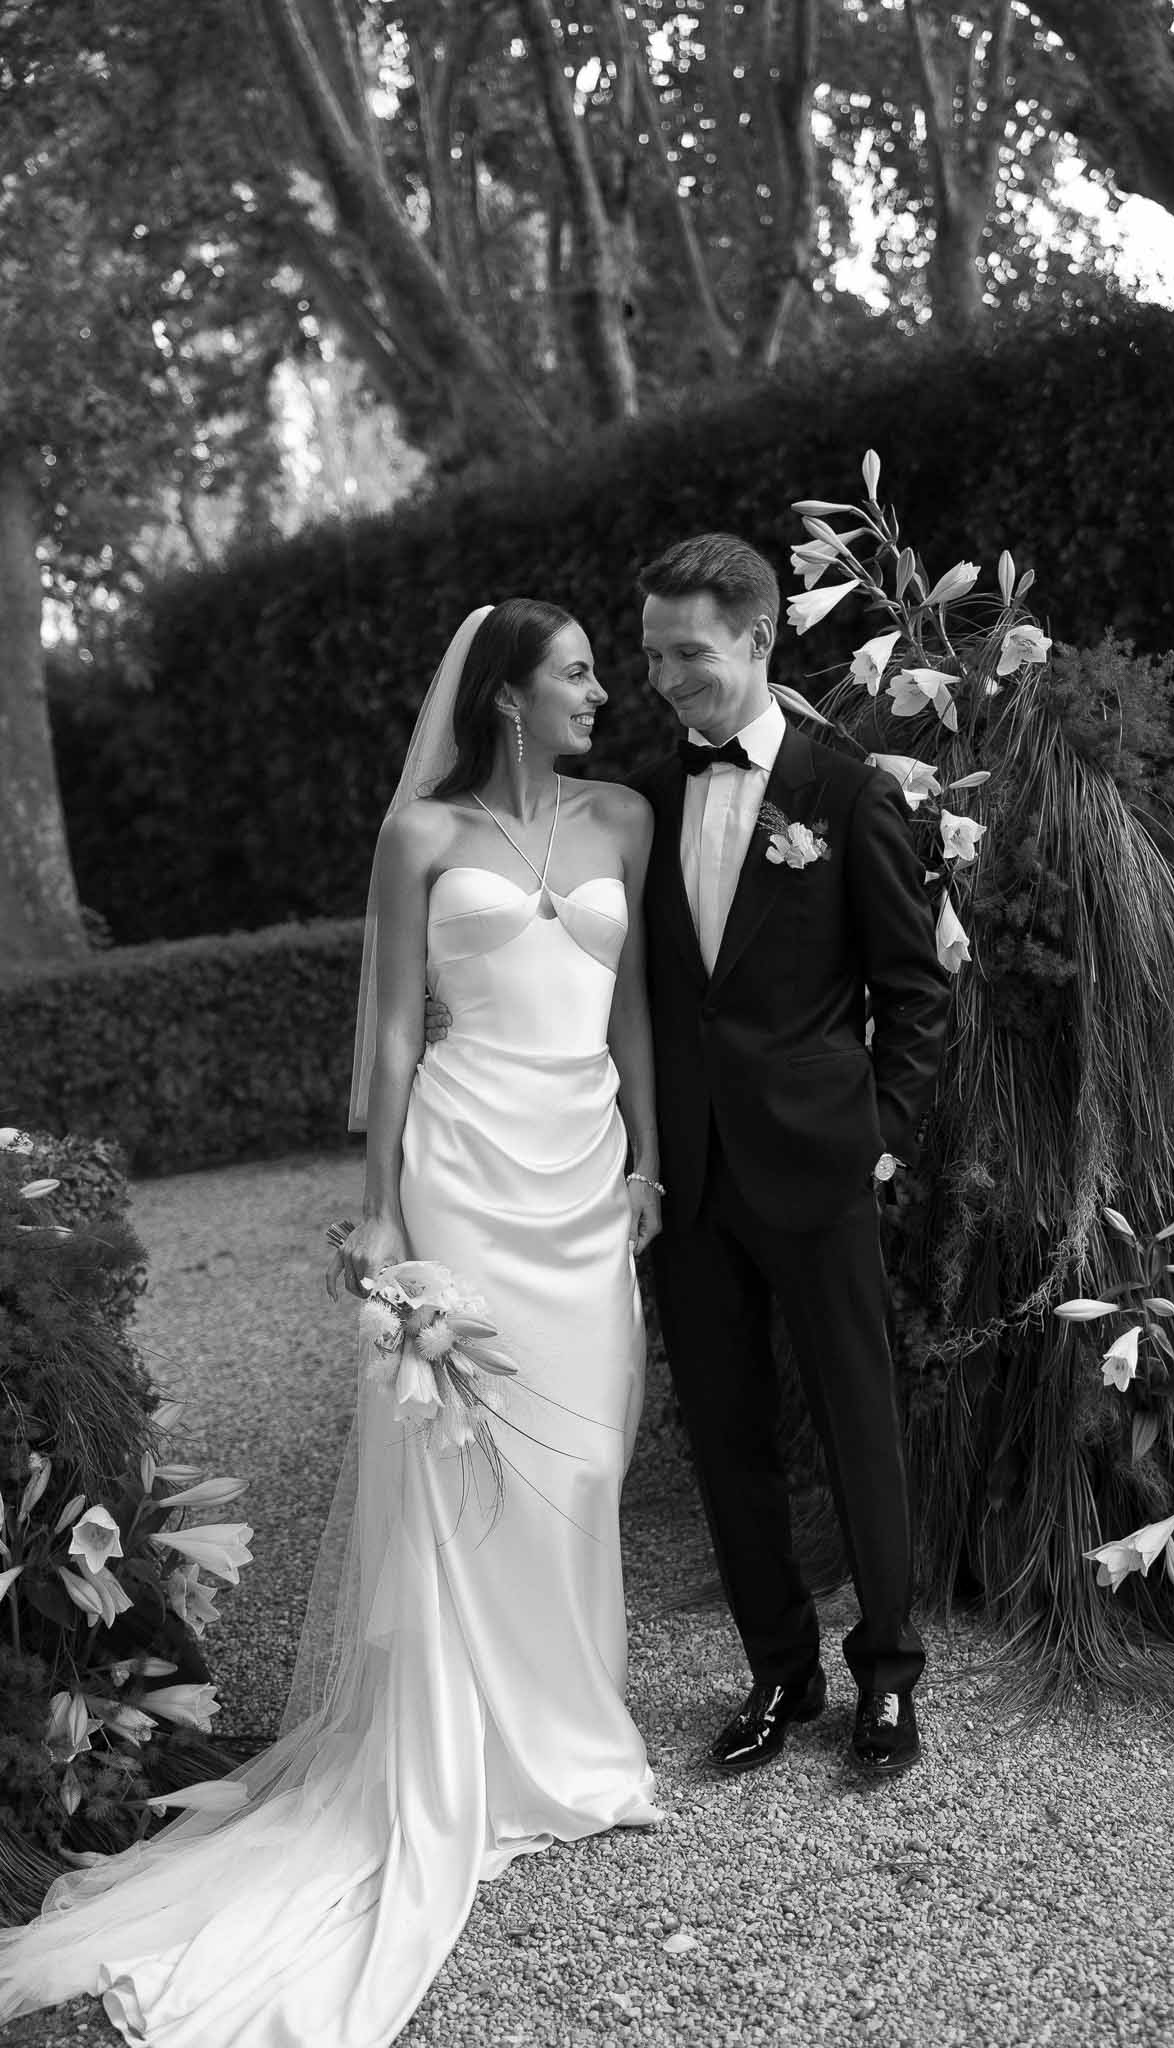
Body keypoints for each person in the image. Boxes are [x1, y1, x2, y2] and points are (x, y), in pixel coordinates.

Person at [0, 599, 663, 2045]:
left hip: (585, 1170)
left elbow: (632, 1014)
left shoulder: (622, 817)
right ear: (507, 697)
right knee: (465, 1456)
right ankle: (471, 1744)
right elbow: (395, 1029)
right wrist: (379, 1214)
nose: (601, 692)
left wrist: (649, 1163)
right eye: (575, 673)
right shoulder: (420, 834)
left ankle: (570, 1723)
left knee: (588, 1455)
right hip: (465, 1168)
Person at [633, 533, 948, 1778]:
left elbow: (915, 992)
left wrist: (884, 1140)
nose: (665, 679)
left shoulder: (848, 791)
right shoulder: (644, 804)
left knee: (858, 1420)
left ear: (759, 637)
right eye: (651, 656)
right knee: (726, 1435)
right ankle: (778, 1671)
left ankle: (888, 1676)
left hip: (821, 1164)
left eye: (688, 653)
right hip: (691, 1175)